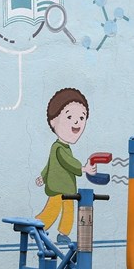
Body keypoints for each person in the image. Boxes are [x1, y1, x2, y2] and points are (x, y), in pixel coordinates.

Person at [35, 88, 97, 244]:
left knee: (68, 211)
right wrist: (83, 169)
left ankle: (63, 233)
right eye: (69, 117)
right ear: (53, 122)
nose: (77, 122)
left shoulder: (65, 148)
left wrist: (42, 176)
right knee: (53, 208)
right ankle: (37, 225)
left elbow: (50, 164)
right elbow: (65, 162)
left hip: (68, 188)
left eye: (82, 117)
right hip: (57, 187)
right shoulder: (59, 148)